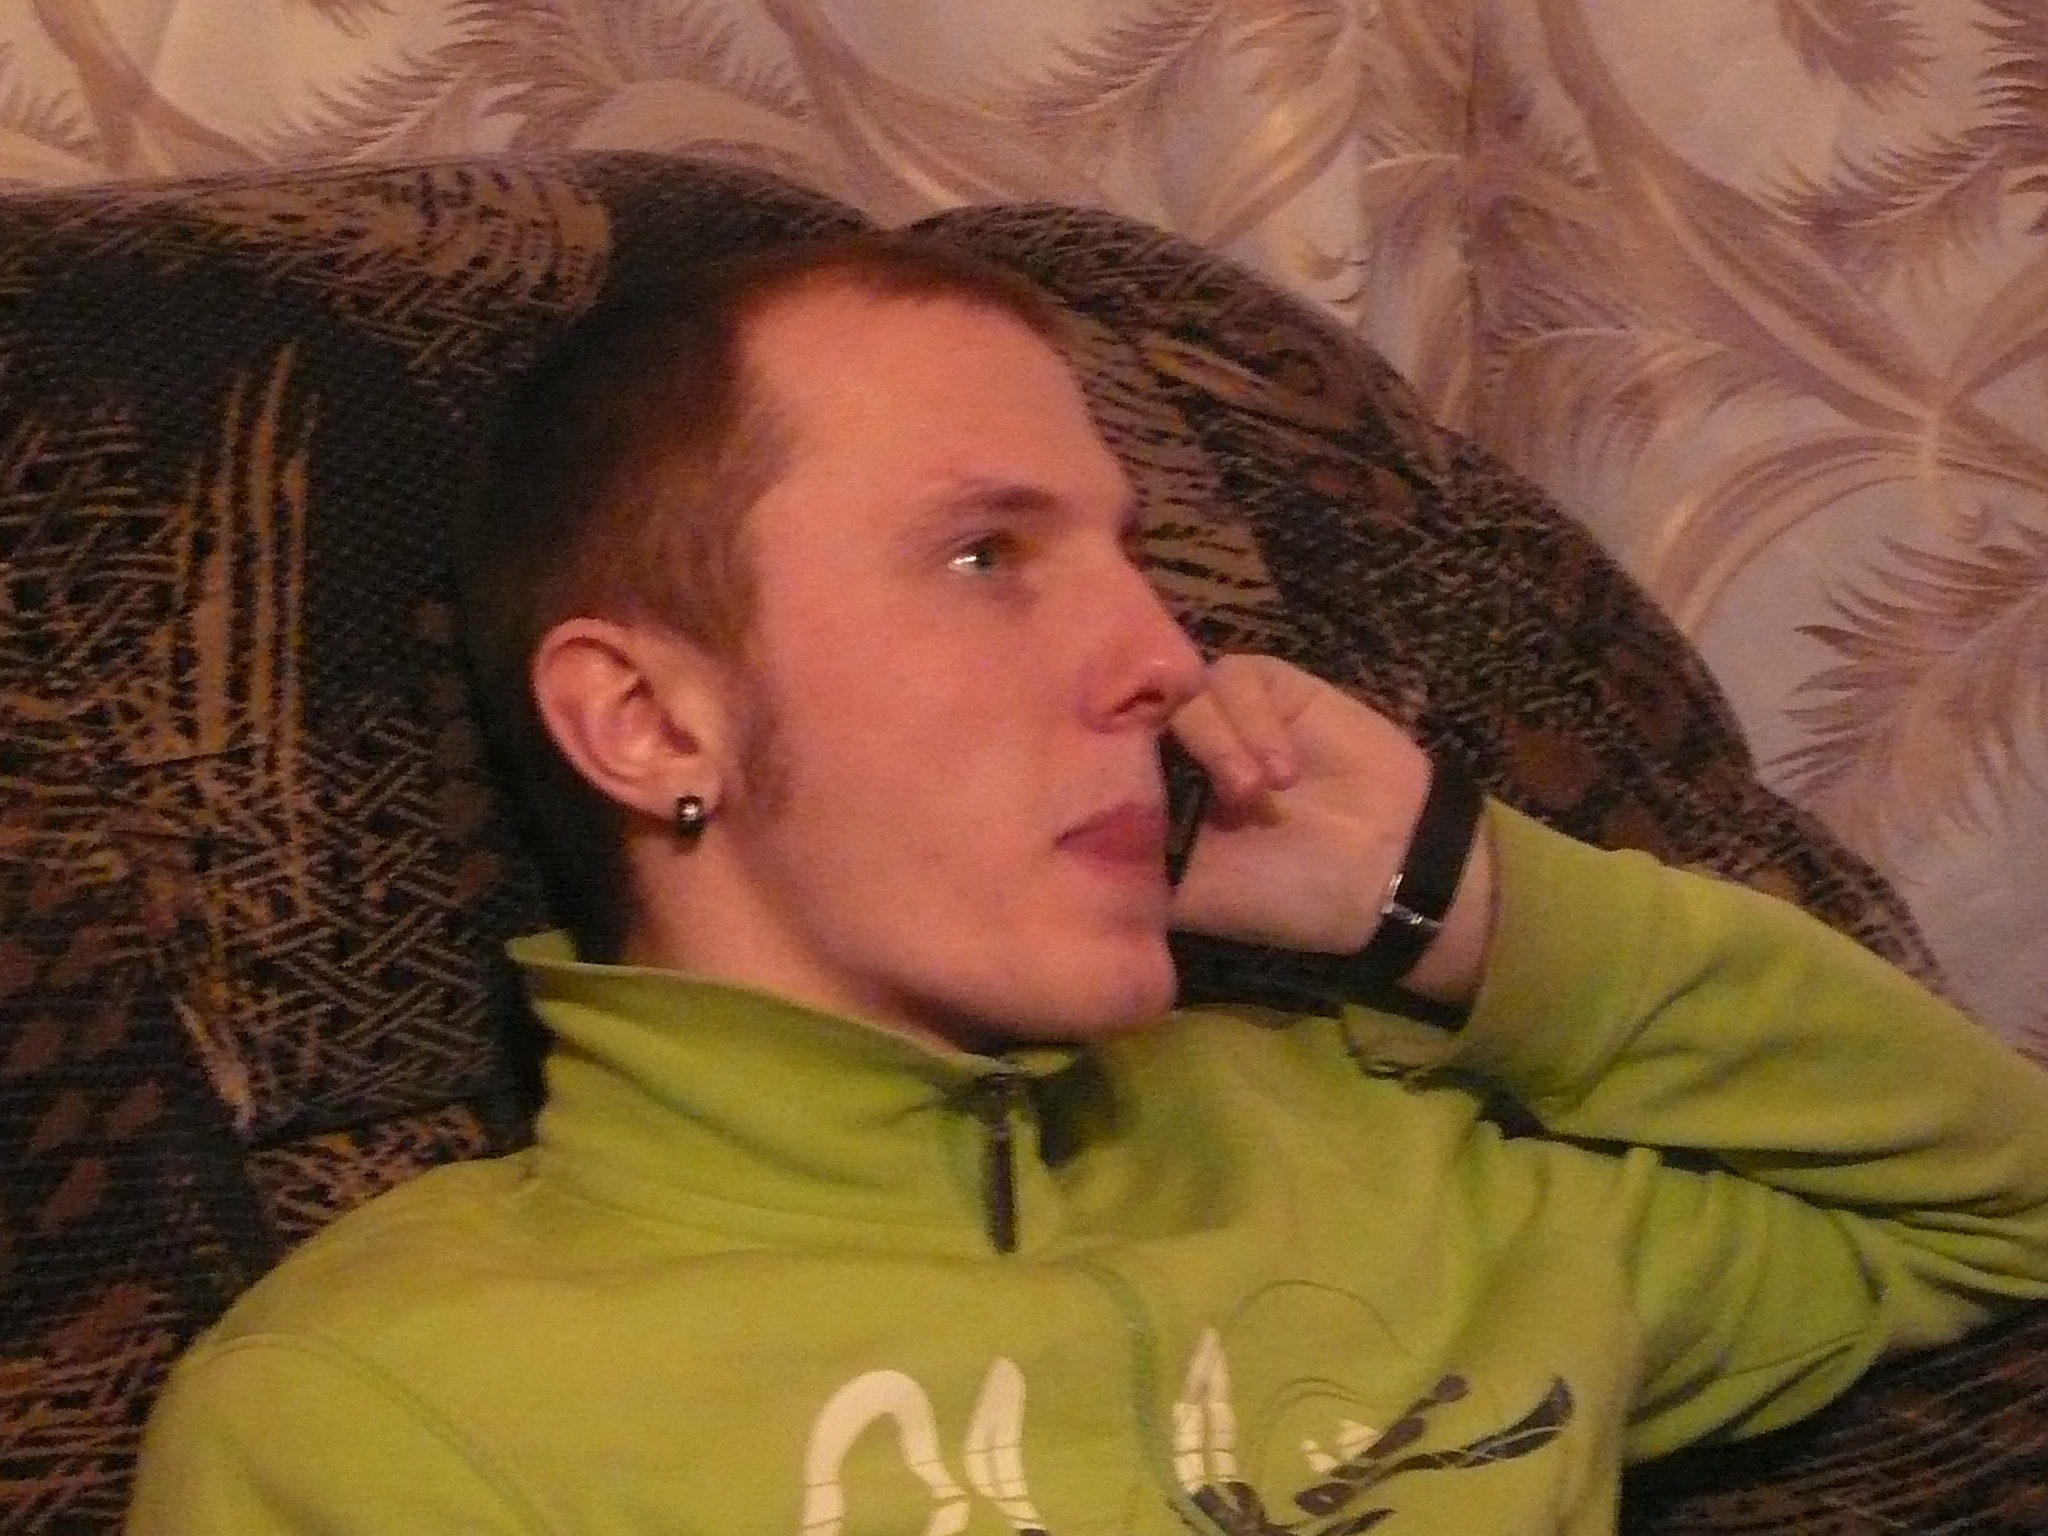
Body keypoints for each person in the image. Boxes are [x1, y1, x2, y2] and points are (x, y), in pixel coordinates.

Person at [128, 233, 2048, 1536]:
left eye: (1131, 558)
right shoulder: (382, 1417)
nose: (1161, 657)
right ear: (647, 723)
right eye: (985, 556)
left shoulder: (1381, 1170)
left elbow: (2002, 1219)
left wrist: (1454, 899)